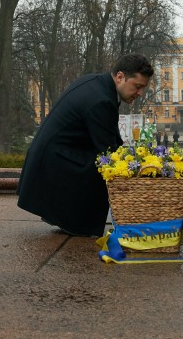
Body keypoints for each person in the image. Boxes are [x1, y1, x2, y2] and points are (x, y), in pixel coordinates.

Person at [17, 54, 154, 237]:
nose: (140, 93)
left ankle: (67, 217)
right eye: (137, 86)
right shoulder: (102, 100)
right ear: (120, 77)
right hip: (54, 162)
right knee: (104, 167)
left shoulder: (96, 83)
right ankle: (76, 222)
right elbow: (107, 151)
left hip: (52, 156)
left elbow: (111, 138)